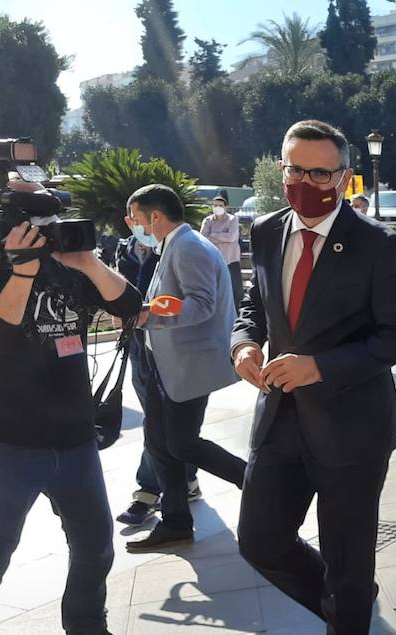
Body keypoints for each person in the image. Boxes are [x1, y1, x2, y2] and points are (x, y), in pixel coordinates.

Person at [232, 119, 396, 632]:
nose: (306, 182)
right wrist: (243, 343)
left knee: (348, 561)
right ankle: (343, 605)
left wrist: (319, 367)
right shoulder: (267, 230)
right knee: (260, 541)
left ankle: (347, 610)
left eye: (320, 173)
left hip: (352, 424)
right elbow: (255, 304)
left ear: (343, 178)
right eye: (296, 170)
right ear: (281, 168)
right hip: (279, 418)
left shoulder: (377, 244)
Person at [0, 183, 141, 634]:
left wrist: (88, 262)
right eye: (38, 223)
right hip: (7, 441)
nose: (48, 231)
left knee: (95, 546)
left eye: (52, 221)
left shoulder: (70, 264)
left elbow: (130, 306)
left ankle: (87, 626)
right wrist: (22, 273)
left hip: (74, 436)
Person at [123, 185, 245, 553]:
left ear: (155, 216)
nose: (133, 226)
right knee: (159, 443)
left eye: (136, 219)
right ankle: (175, 522)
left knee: (181, 442)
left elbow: (202, 304)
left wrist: (149, 316)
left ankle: (257, 481)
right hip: (167, 364)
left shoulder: (189, 247)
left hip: (187, 366)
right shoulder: (174, 245)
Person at [110, 232, 202, 527]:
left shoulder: (182, 248)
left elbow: (196, 302)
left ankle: (147, 492)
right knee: (161, 422)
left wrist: (150, 313)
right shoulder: (125, 248)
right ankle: (188, 479)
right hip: (137, 343)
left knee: (157, 423)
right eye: (131, 217)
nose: (136, 223)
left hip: (170, 343)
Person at [201, 194, 244, 312]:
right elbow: (203, 238)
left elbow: (232, 237)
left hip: (231, 260)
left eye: (220, 205)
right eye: (215, 205)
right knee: (215, 290)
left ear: (226, 207)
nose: (217, 207)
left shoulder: (233, 219)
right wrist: (223, 236)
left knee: (236, 291)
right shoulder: (207, 221)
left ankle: (236, 314)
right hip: (213, 262)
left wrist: (213, 235)